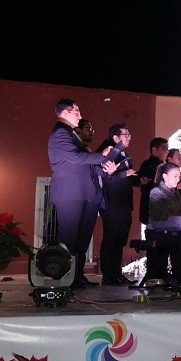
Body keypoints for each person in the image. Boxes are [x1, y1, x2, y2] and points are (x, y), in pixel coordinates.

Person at [47, 98, 118, 289]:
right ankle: (62, 279)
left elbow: (88, 166)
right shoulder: (61, 134)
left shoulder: (71, 135)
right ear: (64, 112)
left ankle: (76, 276)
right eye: (76, 111)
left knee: (81, 240)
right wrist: (102, 155)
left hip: (86, 194)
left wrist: (105, 169)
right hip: (71, 193)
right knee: (69, 238)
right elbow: (77, 158)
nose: (80, 114)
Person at [98, 124, 138, 286]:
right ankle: (108, 274)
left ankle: (116, 273)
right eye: (125, 134)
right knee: (111, 238)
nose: (129, 137)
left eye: (129, 134)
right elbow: (105, 178)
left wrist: (136, 178)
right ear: (115, 137)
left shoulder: (125, 154)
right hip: (111, 203)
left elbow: (126, 177)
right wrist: (124, 174)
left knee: (120, 239)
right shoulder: (108, 152)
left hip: (124, 202)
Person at [146, 162, 181, 284]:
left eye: (179, 176)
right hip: (156, 231)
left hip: (172, 231)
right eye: (175, 176)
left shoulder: (176, 193)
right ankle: (177, 276)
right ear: (164, 176)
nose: (178, 179)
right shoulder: (156, 191)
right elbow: (164, 213)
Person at [136, 137, 168, 280]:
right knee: (154, 244)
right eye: (163, 148)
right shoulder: (148, 165)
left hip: (163, 212)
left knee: (163, 244)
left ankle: (161, 272)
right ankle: (153, 273)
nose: (166, 151)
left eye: (167, 148)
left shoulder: (164, 165)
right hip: (152, 211)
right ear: (154, 149)